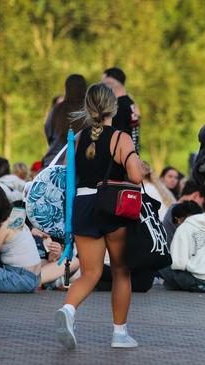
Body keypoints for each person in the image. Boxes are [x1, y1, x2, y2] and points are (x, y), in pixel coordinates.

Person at [55, 83, 143, 349]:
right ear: (113, 107)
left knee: (90, 272)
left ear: (88, 107)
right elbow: (136, 177)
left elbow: (66, 172)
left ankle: (68, 310)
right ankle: (119, 334)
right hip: (112, 206)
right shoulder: (121, 138)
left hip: (82, 205)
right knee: (120, 271)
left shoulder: (79, 138)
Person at [42, 74, 87, 167]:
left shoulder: (57, 109)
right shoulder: (89, 110)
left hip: (55, 160)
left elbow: (48, 132)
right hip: (82, 162)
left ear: (66, 88)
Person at [102, 67, 140, 152]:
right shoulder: (130, 103)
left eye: (105, 82)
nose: (102, 86)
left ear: (112, 82)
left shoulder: (119, 106)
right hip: (130, 157)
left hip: (121, 158)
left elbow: (115, 138)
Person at [163, 180, 205, 245]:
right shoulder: (181, 212)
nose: (202, 210)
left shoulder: (174, 209)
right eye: (203, 204)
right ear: (196, 195)